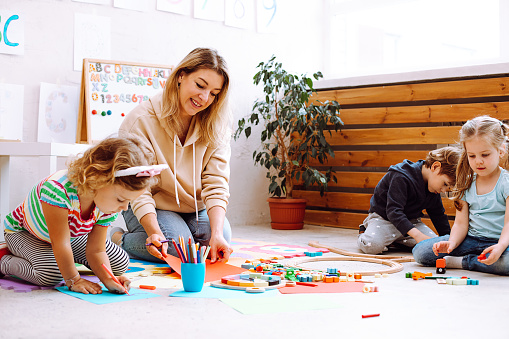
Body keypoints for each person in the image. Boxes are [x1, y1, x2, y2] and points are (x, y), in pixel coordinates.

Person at [113, 47, 233, 263]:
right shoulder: (140, 120)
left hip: (193, 207)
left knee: (221, 238)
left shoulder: (218, 124)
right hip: (150, 203)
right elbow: (139, 190)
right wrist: (153, 231)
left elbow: (216, 182)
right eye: (199, 85)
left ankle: (192, 234)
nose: (204, 98)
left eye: (214, 93)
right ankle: (119, 239)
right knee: (177, 250)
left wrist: (215, 235)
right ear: (181, 76)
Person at [0, 137, 162, 294]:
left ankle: (60, 261)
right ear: (98, 178)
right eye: (121, 199)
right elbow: (60, 243)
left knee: (119, 262)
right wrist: (73, 279)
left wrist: (108, 279)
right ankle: (4, 261)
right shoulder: (58, 191)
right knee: (51, 274)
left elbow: (96, 250)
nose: (124, 207)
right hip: (25, 234)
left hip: (68, 237)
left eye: (128, 202)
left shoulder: (106, 206)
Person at [413, 116, 509, 275]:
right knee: (420, 252)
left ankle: (463, 262)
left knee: (506, 263)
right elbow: (460, 224)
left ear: (501, 150)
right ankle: (475, 259)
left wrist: (500, 247)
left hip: (500, 242)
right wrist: (451, 243)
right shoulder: (466, 182)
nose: (478, 161)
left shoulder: (505, 183)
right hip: (470, 240)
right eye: (472, 156)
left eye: (485, 155)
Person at [357, 146, 461, 254]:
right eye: (445, 184)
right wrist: (418, 235)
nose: (443, 190)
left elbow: (438, 215)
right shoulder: (401, 176)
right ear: (435, 167)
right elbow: (393, 212)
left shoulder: (433, 188)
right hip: (384, 220)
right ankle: (364, 231)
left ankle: (396, 241)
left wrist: (448, 240)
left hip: (411, 223)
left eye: (447, 189)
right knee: (372, 246)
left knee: (433, 246)